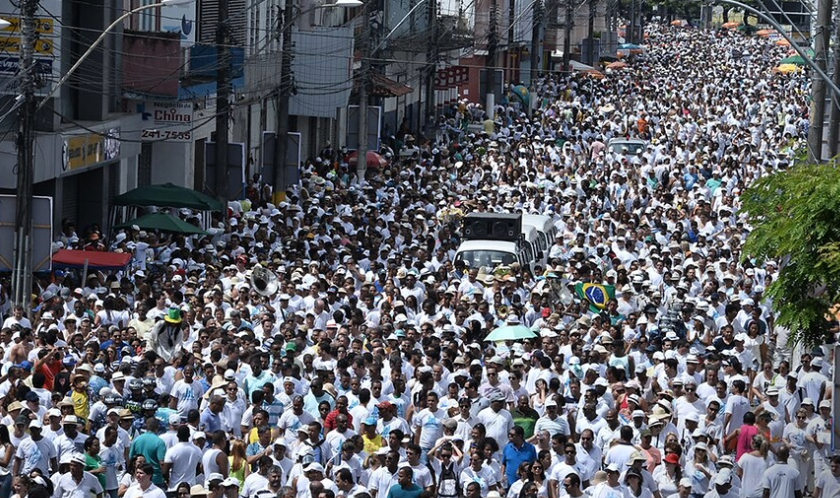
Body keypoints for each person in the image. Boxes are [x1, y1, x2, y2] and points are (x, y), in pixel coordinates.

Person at [128, 418, 167, 487]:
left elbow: (131, 458)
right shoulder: (159, 442)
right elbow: (162, 463)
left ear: (146, 426)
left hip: (139, 477)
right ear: (157, 427)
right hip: (156, 478)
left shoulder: (137, 440)